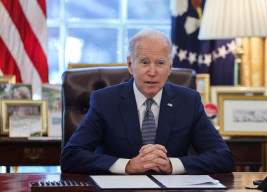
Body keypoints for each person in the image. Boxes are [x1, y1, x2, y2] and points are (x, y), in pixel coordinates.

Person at [60, 29, 234, 175]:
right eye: (144, 62)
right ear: (130, 65)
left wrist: (172, 165)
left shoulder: (189, 101)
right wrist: (127, 166)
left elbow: (223, 157)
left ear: (170, 67)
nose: (152, 72)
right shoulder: (105, 101)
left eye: (160, 63)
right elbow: (71, 156)